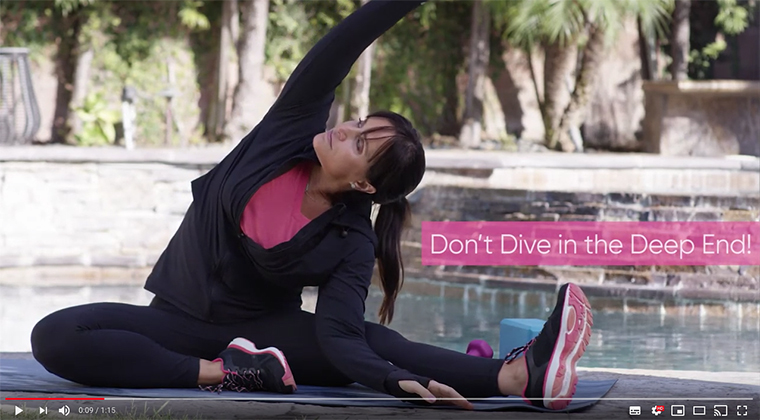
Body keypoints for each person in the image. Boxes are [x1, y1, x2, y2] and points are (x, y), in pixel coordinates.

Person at [30, 0, 593, 410]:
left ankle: (515, 376)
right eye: (358, 123)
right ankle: (226, 374)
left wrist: (391, 382)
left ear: (365, 186)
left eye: (360, 144)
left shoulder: (351, 239)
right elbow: (343, 44)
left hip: (267, 334)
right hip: (176, 323)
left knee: (374, 345)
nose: (345, 129)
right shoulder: (287, 132)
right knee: (56, 335)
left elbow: (340, 338)